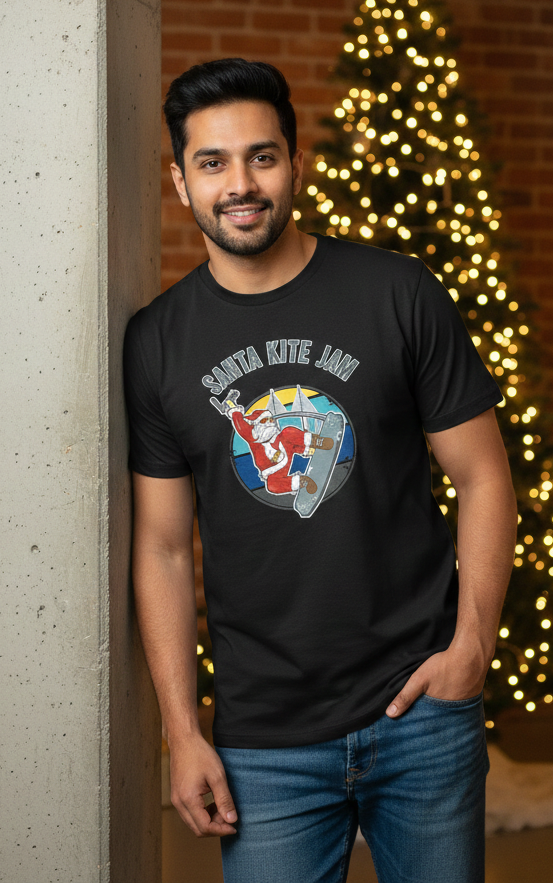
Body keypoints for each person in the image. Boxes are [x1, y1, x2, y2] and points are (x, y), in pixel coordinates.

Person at [125, 58, 517, 883]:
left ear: (296, 163)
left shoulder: (397, 293)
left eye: (261, 156)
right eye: (213, 162)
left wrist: (470, 649)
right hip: (261, 741)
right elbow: (161, 547)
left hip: (422, 713)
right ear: (180, 179)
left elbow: (482, 475)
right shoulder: (157, 341)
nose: (240, 183)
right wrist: (183, 731)